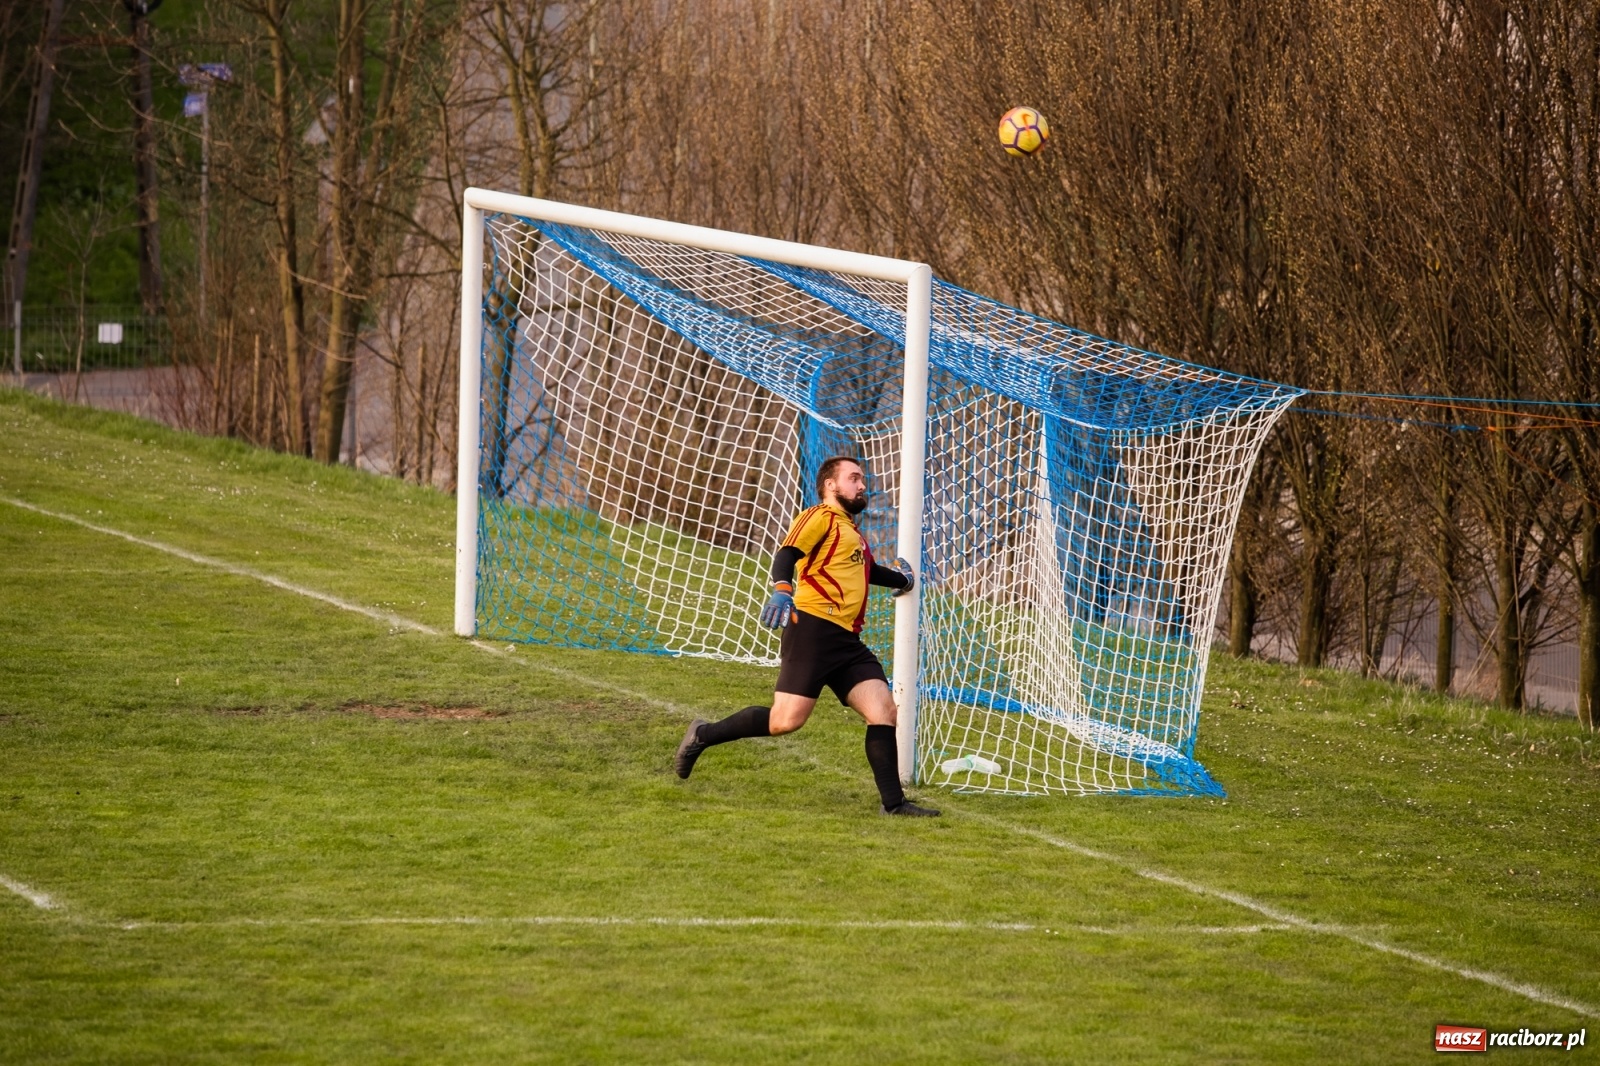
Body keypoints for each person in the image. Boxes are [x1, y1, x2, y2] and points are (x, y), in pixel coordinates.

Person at [673, 456, 940, 817]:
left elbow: (866, 571)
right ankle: (703, 735)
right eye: (854, 478)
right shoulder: (819, 517)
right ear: (831, 485)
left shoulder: (851, 531)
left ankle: (894, 805)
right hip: (812, 629)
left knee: (883, 710)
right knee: (786, 721)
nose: (863, 486)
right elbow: (788, 553)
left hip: (847, 641)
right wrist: (783, 588)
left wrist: (903, 579)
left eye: (862, 479)